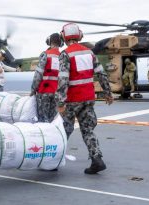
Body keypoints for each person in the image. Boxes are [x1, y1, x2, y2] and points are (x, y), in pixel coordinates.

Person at [57, 23, 114, 174]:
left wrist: (60, 102)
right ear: (80, 35)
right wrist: (108, 92)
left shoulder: (65, 54)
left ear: (64, 36)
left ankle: (53, 160)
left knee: (64, 130)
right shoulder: (89, 53)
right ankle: (97, 159)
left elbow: (63, 79)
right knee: (88, 130)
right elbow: (101, 73)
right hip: (88, 98)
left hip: (72, 100)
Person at [30, 33, 62, 122]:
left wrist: (33, 90)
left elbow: (38, 74)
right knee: (52, 119)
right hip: (56, 93)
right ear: (61, 43)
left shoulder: (46, 55)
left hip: (43, 92)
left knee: (43, 119)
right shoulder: (63, 56)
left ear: (49, 42)